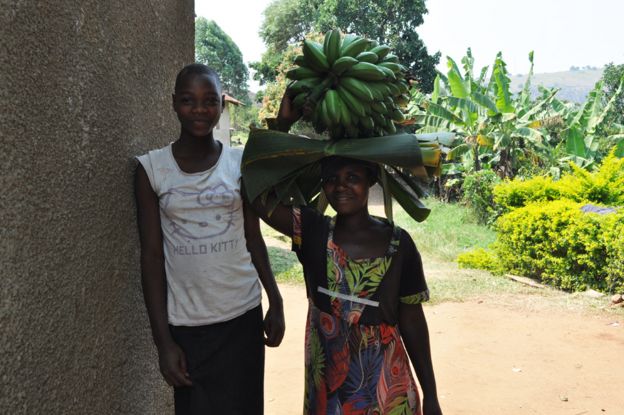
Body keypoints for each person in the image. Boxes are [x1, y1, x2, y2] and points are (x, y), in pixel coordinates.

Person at [247, 93, 443, 414]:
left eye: (352, 177)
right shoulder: (311, 232)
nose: (341, 187)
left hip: (387, 396)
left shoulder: (399, 244)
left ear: (370, 181)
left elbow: (412, 321)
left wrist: (431, 394)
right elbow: (255, 192)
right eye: (331, 179)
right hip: (329, 397)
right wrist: (283, 124)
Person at [134, 63, 285, 414]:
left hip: (242, 318)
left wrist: (275, 300)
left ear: (221, 105)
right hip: (188, 327)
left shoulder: (238, 163)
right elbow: (152, 258)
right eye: (189, 100)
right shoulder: (151, 170)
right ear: (174, 103)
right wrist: (163, 343)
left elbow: (253, 237)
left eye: (210, 101)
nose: (200, 110)